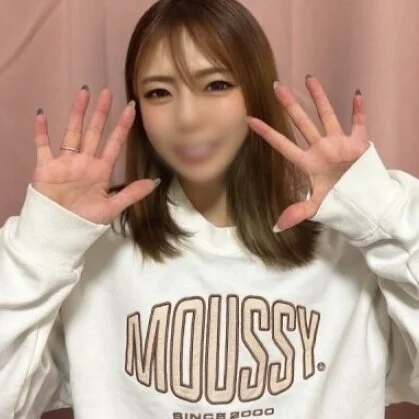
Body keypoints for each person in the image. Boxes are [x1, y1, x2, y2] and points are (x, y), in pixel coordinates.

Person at [1, 0, 418, 417]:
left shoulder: (349, 243)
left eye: (216, 85)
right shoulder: (95, 250)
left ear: (256, 91)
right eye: (158, 92)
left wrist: (378, 210)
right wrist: (45, 243)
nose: (188, 118)